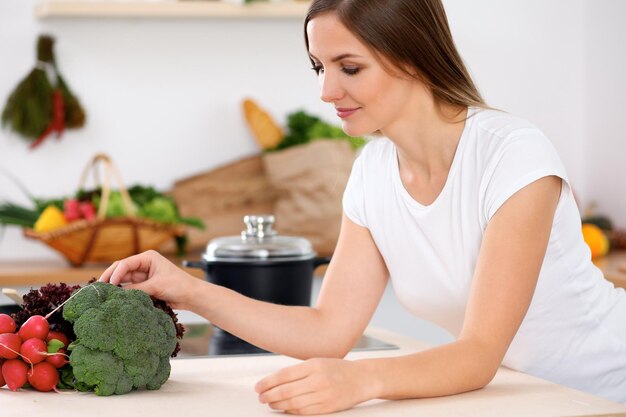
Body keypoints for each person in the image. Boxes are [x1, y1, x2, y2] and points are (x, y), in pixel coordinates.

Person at [100, 0, 626, 413]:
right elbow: (328, 330)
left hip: (603, 391)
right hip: (519, 397)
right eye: (318, 67)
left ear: (412, 55)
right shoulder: (374, 171)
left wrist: (363, 378)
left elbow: (479, 352)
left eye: (349, 67)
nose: (327, 91)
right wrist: (189, 290)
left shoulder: (512, 155)